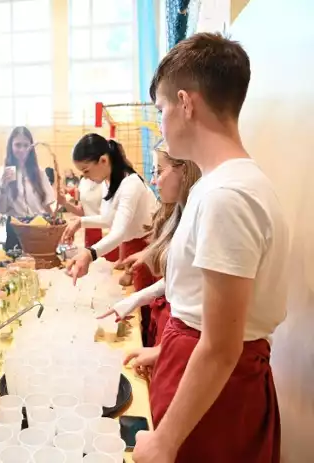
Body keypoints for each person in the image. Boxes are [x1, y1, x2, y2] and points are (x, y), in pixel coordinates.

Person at [129, 34, 288, 463]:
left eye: (161, 109)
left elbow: (221, 346)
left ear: (186, 103)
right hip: (201, 368)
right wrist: (166, 351)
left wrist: (164, 443)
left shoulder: (227, 196)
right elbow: (211, 307)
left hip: (217, 393)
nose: (161, 122)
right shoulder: (219, 185)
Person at [99, 140, 201, 348]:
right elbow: (173, 276)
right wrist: (134, 299)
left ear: (184, 169)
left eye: (158, 172)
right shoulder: (176, 214)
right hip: (173, 327)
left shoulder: (199, 216)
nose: (154, 181)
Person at [63, 134, 157, 292]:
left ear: (103, 160)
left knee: (146, 295)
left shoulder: (131, 184)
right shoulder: (108, 182)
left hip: (147, 245)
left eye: (86, 171)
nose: (85, 177)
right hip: (131, 244)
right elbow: (109, 219)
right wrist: (81, 222)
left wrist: (89, 254)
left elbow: (118, 232)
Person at [0, 126, 55, 250]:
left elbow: (47, 205)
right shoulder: (3, 173)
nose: (22, 149)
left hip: (39, 226)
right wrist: (3, 188)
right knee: (15, 268)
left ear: (31, 147)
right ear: (11, 147)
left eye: (25, 145)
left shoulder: (39, 173)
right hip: (16, 229)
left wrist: (54, 228)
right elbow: (1, 209)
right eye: (17, 145)